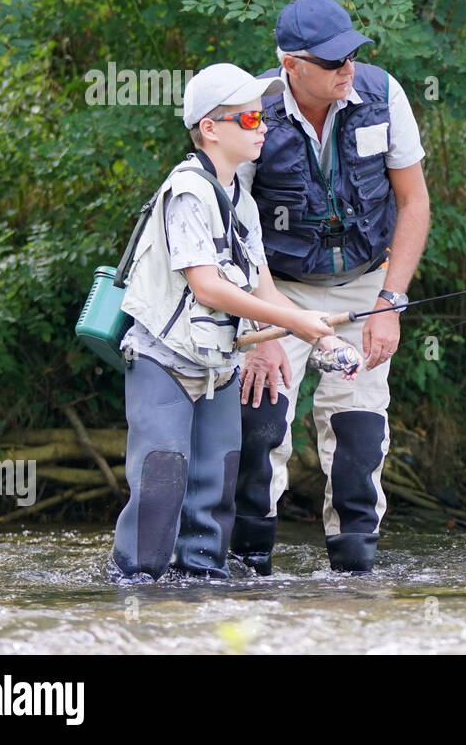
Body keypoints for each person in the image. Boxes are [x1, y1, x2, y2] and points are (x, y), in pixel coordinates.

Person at [109, 63, 354, 584]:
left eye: (262, 115)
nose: (262, 125)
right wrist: (294, 319)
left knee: (214, 488)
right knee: (161, 485)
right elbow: (208, 287)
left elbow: (261, 284)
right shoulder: (187, 191)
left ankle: (203, 587)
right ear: (209, 128)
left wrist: (321, 335)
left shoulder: (241, 198)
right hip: (161, 360)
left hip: (218, 364)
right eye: (247, 117)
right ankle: (134, 591)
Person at [230, 0, 430, 576]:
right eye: (332, 61)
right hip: (274, 289)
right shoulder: (252, 108)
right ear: (291, 64)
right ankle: (248, 571)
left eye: (351, 55)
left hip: (364, 288)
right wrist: (262, 325)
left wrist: (390, 302)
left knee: (359, 438)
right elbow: (234, 221)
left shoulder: (383, 94)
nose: (348, 68)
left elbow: (414, 202)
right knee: (260, 431)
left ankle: (354, 580)